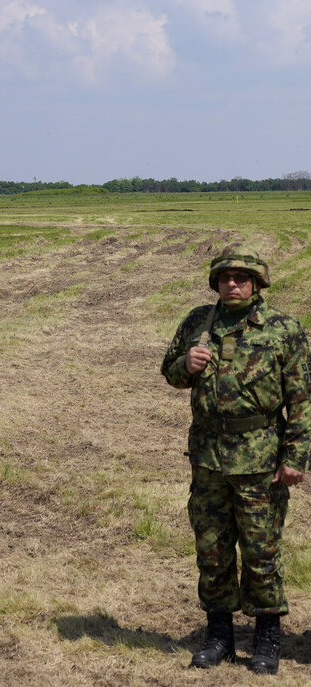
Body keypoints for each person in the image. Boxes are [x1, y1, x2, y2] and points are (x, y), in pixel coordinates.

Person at [161, 243, 311, 675]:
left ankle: (267, 636)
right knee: (213, 551)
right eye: (225, 278)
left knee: (262, 552)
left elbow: (302, 401)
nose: (233, 284)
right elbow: (169, 371)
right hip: (208, 458)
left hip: (261, 459)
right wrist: (186, 364)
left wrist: (295, 457)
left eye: (242, 278)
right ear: (216, 283)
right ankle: (219, 635)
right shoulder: (197, 323)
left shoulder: (283, 330)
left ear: (257, 283)